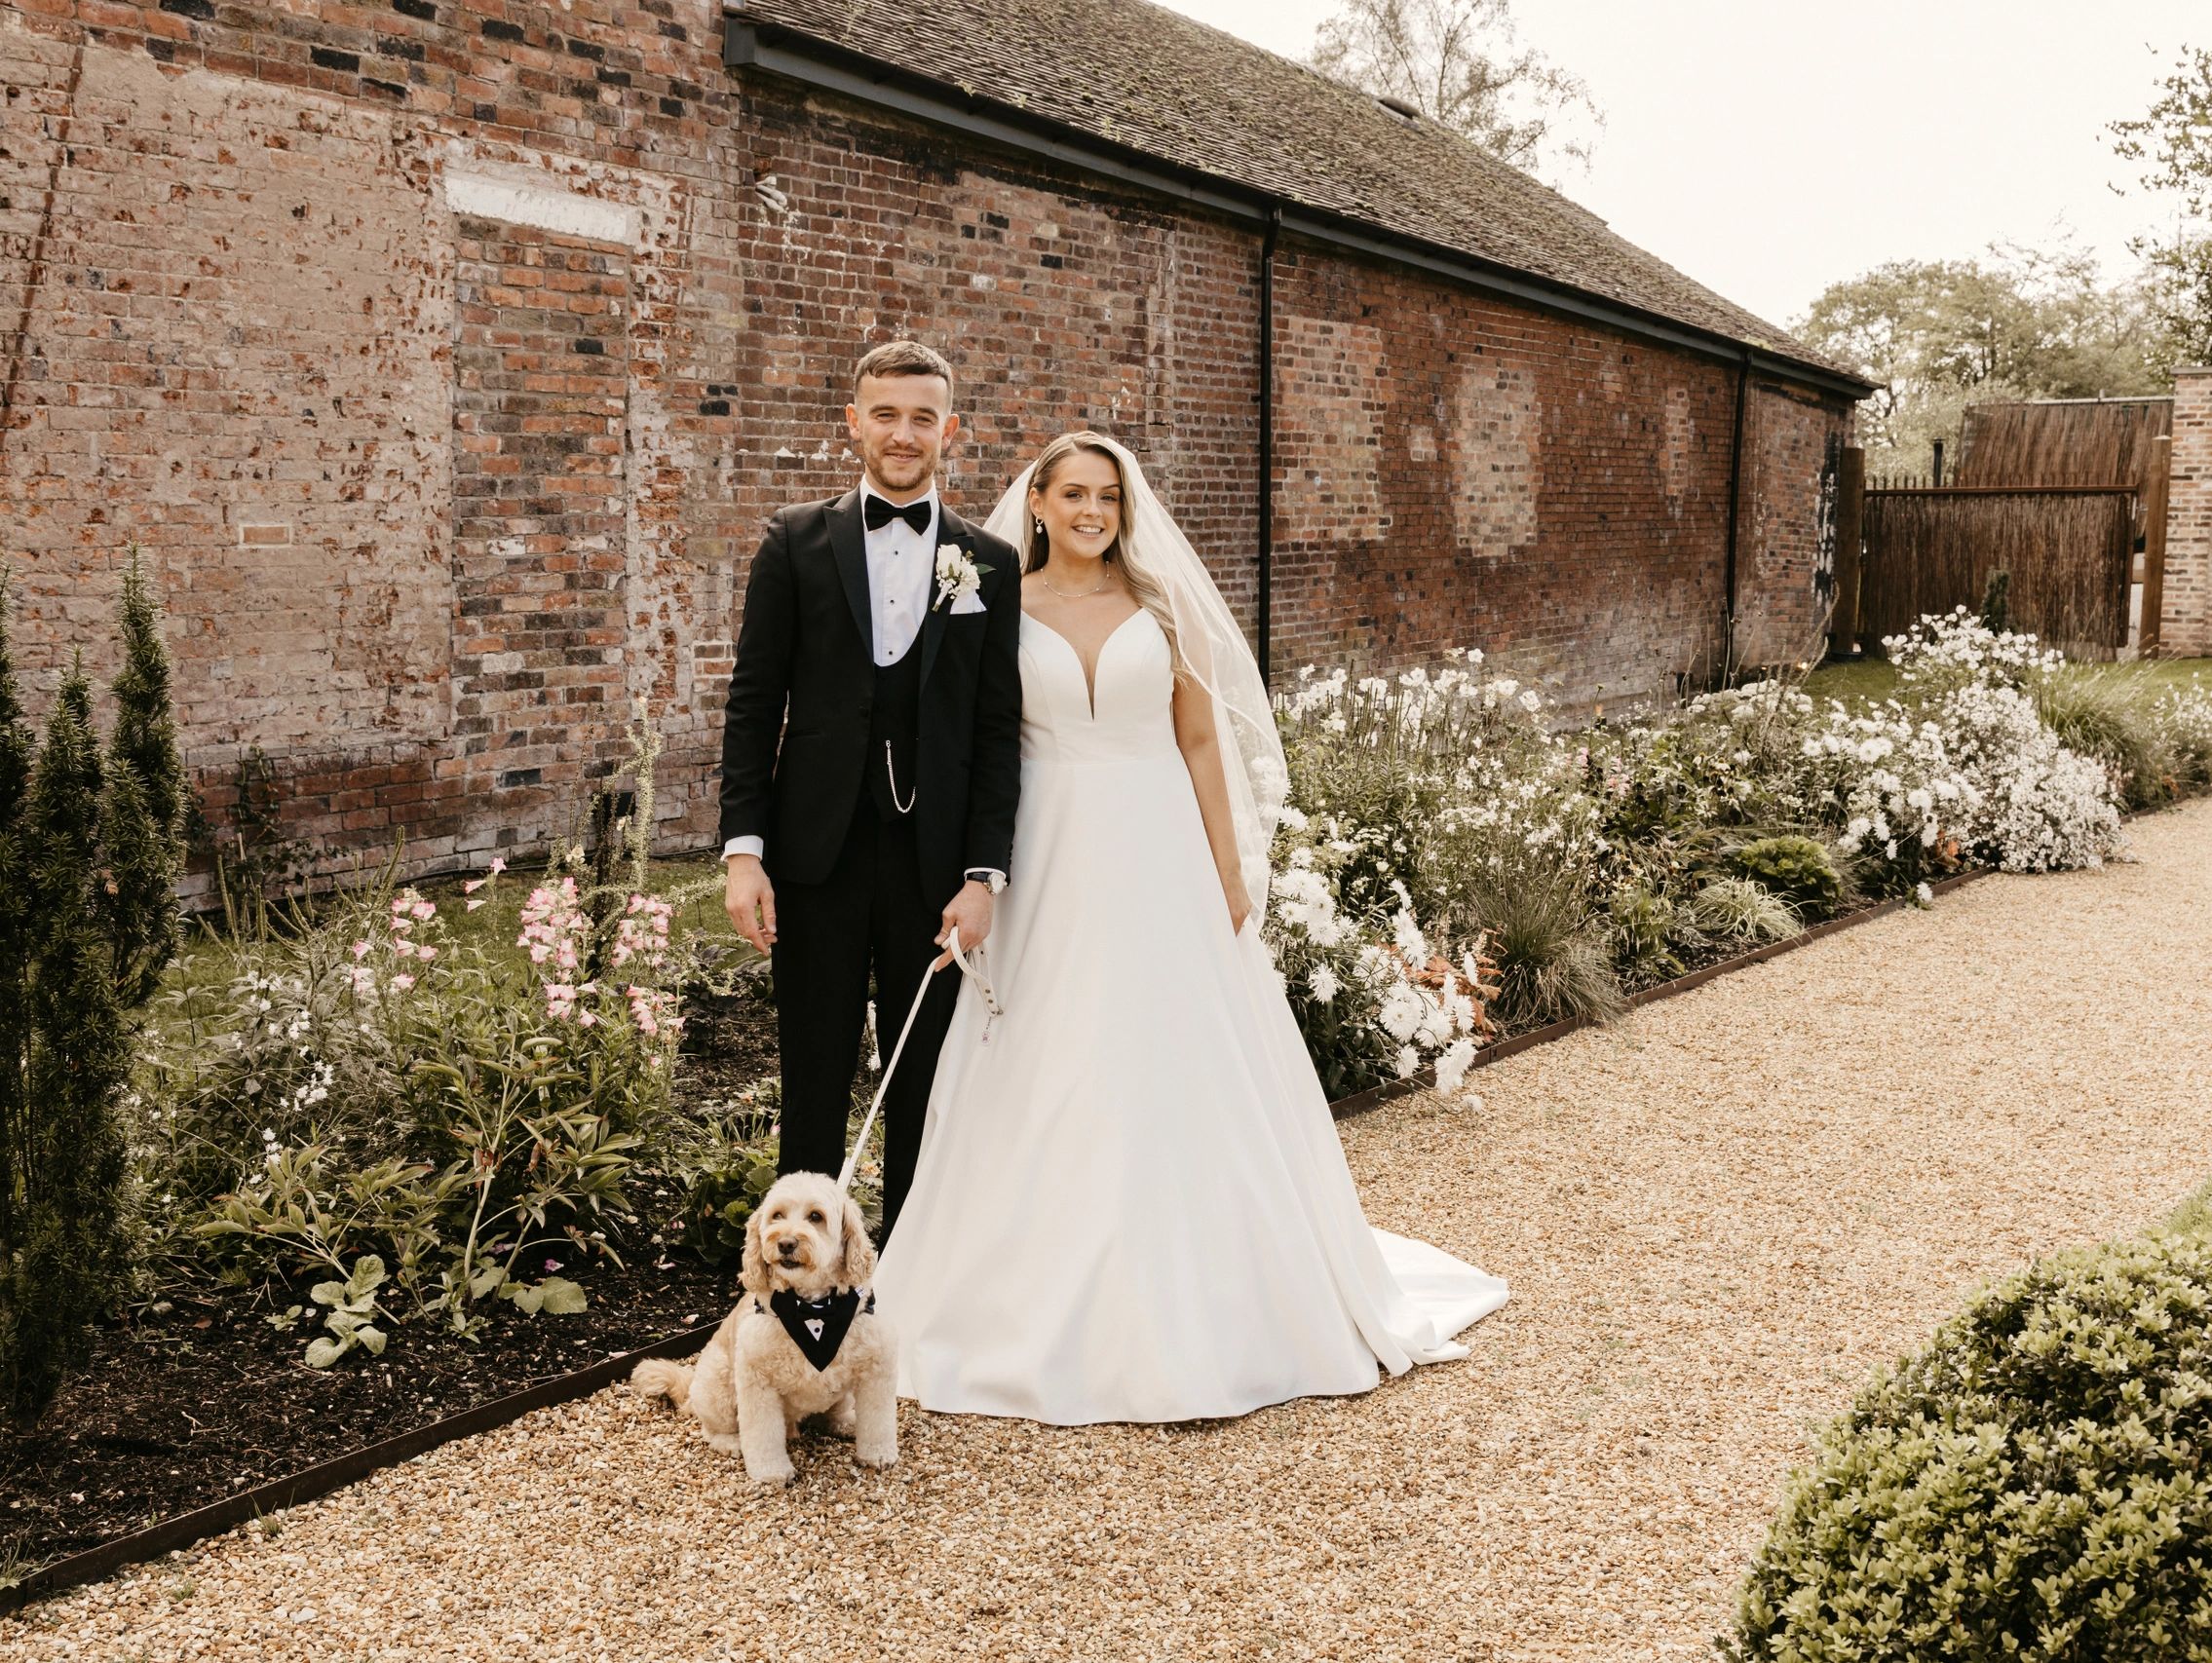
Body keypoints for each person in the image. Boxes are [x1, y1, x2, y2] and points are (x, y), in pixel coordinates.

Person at [872, 430, 1508, 1424]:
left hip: (1157, 846)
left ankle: (1201, 1290)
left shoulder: (1161, 606)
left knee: (1172, 1045)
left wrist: (1227, 870)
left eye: (1108, 497)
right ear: (1035, 503)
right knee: (1051, 1048)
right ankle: (1022, 1295)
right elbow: (974, 746)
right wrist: (970, 872)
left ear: (1125, 512)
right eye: (1073, 493)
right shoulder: (988, 604)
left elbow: (1201, 739)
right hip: (1041, 852)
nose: (1091, 511)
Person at [717, 341, 1021, 1250]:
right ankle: (798, 1284)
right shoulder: (793, 542)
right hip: (816, 854)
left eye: (922, 416)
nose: (902, 433)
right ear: (853, 422)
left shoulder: (990, 563)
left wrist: (984, 876)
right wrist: (744, 852)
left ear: (949, 429)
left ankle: (915, 1274)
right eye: (884, 413)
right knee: (812, 1069)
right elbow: (752, 701)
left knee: (923, 1075)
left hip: (935, 866)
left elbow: (1000, 728)